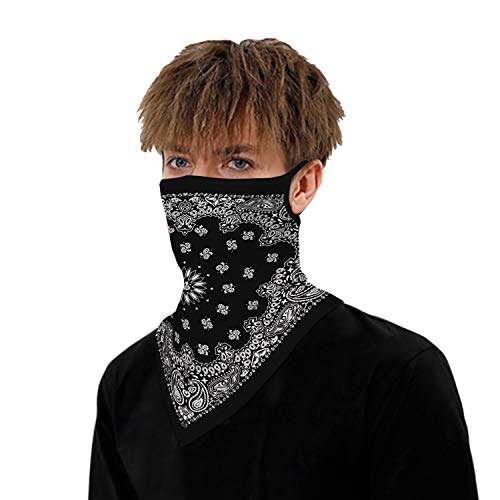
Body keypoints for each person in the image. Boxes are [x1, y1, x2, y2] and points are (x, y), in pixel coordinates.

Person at [88, 38, 480, 499]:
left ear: (303, 184)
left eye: (237, 162)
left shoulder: (394, 376)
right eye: (179, 161)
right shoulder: (128, 383)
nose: (197, 191)